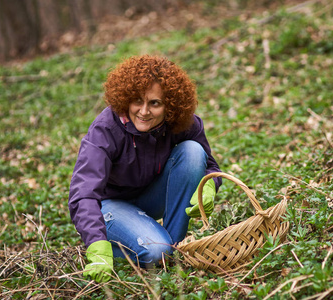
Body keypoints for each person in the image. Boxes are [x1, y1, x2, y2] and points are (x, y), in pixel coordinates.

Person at [68, 55, 222, 283]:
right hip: (110, 206)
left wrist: (208, 186)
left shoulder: (181, 123)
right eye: (137, 101)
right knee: (155, 250)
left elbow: (209, 164)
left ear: (169, 105)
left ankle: (173, 250)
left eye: (155, 103)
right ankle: (121, 249)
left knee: (193, 151)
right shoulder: (106, 130)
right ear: (126, 98)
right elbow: (83, 194)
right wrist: (97, 247)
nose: (144, 111)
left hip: (150, 196)